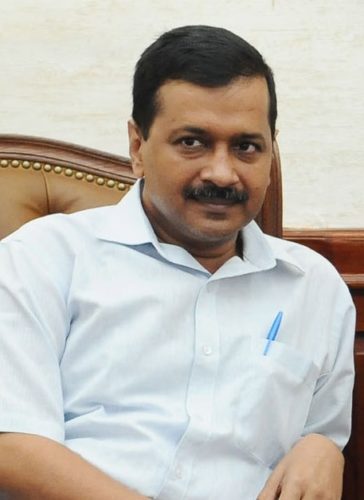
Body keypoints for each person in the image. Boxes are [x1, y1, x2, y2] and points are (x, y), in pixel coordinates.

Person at [0, 25, 355, 500]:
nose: (222, 173)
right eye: (192, 142)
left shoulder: (316, 287)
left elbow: (321, 440)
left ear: (272, 150)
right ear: (137, 147)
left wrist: (322, 446)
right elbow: (14, 444)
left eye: (246, 146)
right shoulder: (43, 258)